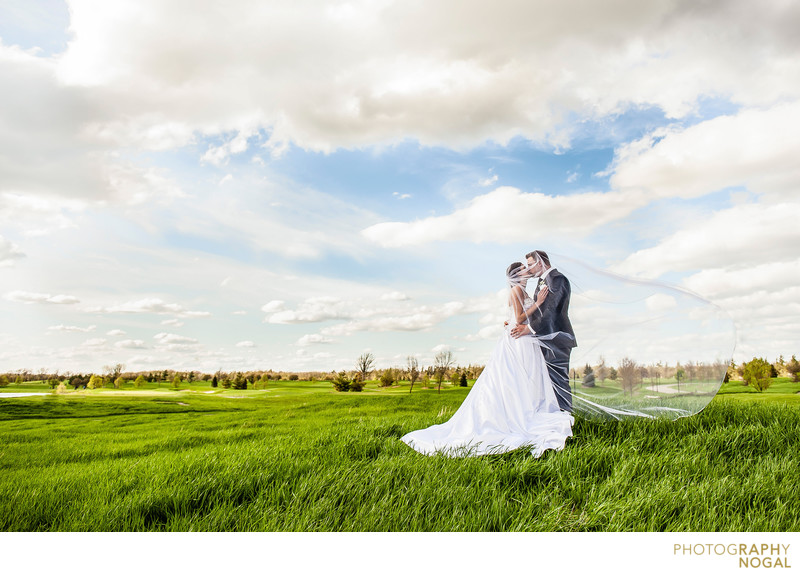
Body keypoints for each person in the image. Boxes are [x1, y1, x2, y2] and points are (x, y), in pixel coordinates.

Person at [400, 261, 573, 457]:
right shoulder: (516, 290)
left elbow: (515, 317)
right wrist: (539, 303)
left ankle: (528, 410)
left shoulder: (522, 291)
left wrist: (515, 318)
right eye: (525, 269)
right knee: (517, 377)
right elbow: (519, 317)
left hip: (524, 338)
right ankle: (517, 415)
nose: (528, 270)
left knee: (525, 379)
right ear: (517, 274)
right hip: (519, 340)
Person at [511, 250, 576, 412]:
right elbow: (536, 310)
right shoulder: (544, 281)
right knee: (548, 381)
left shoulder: (557, 279)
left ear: (540, 262)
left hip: (557, 337)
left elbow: (552, 310)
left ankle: (565, 419)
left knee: (559, 381)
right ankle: (554, 416)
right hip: (546, 337)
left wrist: (529, 328)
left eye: (531, 265)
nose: (529, 269)